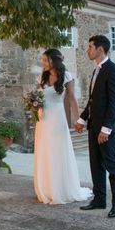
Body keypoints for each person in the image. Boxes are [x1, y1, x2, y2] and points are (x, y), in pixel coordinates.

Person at [33, 48, 92, 204]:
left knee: (57, 151)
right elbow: (38, 97)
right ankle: (47, 188)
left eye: (46, 60)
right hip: (42, 119)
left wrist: (78, 120)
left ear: (54, 60)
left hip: (57, 119)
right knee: (45, 151)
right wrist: (32, 105)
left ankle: (61, 188)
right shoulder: (41, 77)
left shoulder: (66, 76)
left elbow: (71, 98)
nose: (43, 63)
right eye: (43, 60)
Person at [75, 35, 115, 218]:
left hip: (105, 129)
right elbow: (94, 100)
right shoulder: (96, 70)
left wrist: (106, 129)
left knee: (112, 165)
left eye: (90, 47)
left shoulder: (114, 71)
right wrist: (82, 118)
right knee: (95, 164)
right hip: (93, 126)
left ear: (100, 49)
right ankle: (99, 199)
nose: (87, 50)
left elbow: (114, 103)